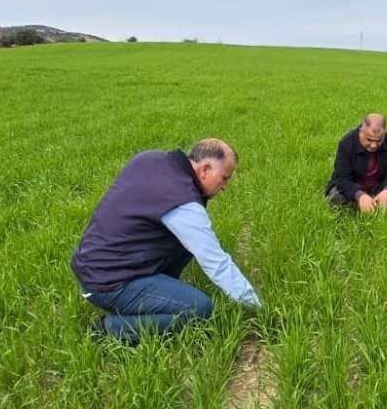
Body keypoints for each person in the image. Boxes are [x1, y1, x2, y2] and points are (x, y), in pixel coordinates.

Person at [71, 138, 261, 342]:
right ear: (205, 170)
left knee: (180, 243)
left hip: (92, 265)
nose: (224, 187)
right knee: (198, 308)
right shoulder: (183, 202)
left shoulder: (149, 159)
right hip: (109, 283)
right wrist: (256, 308)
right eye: (224, 178)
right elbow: (216, 263)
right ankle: (109, 329)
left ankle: (152, 297)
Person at [325, 113, 387, 212]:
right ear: (361, 131)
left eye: (379, 140)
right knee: (335, 197)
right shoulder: (346, 143)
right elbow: (342, 178)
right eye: (369, 140)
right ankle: (360, 205)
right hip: (354, 186)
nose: (373, 145)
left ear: (384, 133)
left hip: (379, 186)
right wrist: (360, 195)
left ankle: (380, 201)